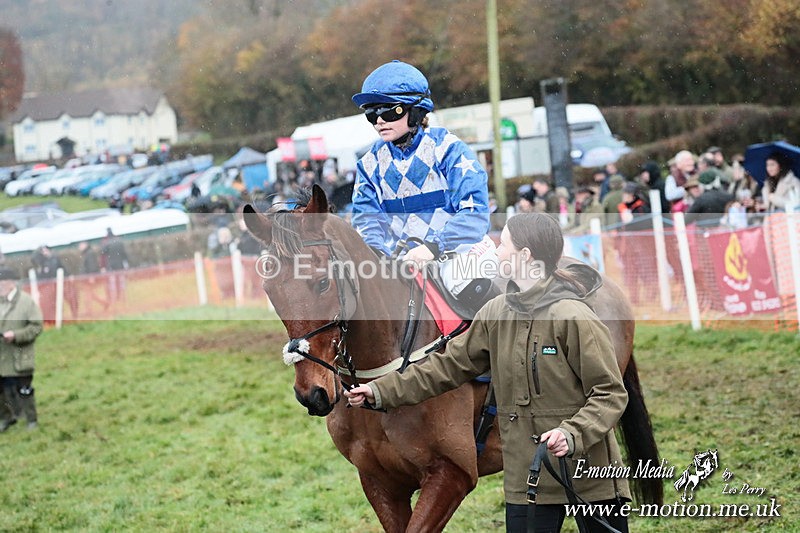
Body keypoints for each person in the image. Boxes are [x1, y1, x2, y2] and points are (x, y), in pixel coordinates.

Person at [345, 213, 631, 533]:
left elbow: (610, 394)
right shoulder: (494, 313)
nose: (494, 251)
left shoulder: (575, 317)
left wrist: (572, 434)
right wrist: (381, 391)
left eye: (503, 245)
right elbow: (448, 366)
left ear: (525, 256)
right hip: (527, 480)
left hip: (589, 478)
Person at [350, 60, 496, 301]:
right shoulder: (368, 164)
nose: (379, 121)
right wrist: (381, 258)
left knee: (465, 282)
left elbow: (475, 214)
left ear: (415, 110)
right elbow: (367, 223)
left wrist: (433, 247)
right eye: (371, 114)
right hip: (403, 263)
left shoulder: (448, 149)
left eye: (387, 111)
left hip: (458, 253)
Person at [0, 267, 44, 432]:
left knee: (24, 389)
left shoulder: (26, 302)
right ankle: (6, 418)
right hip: (1, 354)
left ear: (10, 284)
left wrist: (16, 335)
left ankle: (31, 420)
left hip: (20, 354)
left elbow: (36, 327)